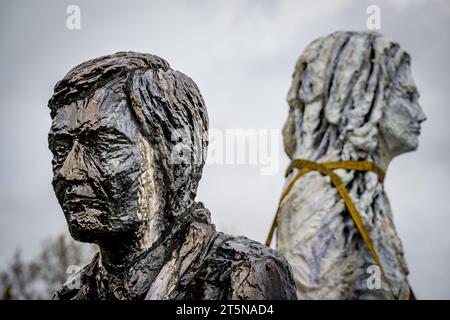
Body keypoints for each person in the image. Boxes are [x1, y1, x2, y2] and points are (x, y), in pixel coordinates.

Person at [48, 52, 297, 300]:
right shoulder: (71, 295)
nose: (67, 172)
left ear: (178, 163)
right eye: (61, 149)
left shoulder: (244, 277)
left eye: (103, 145)